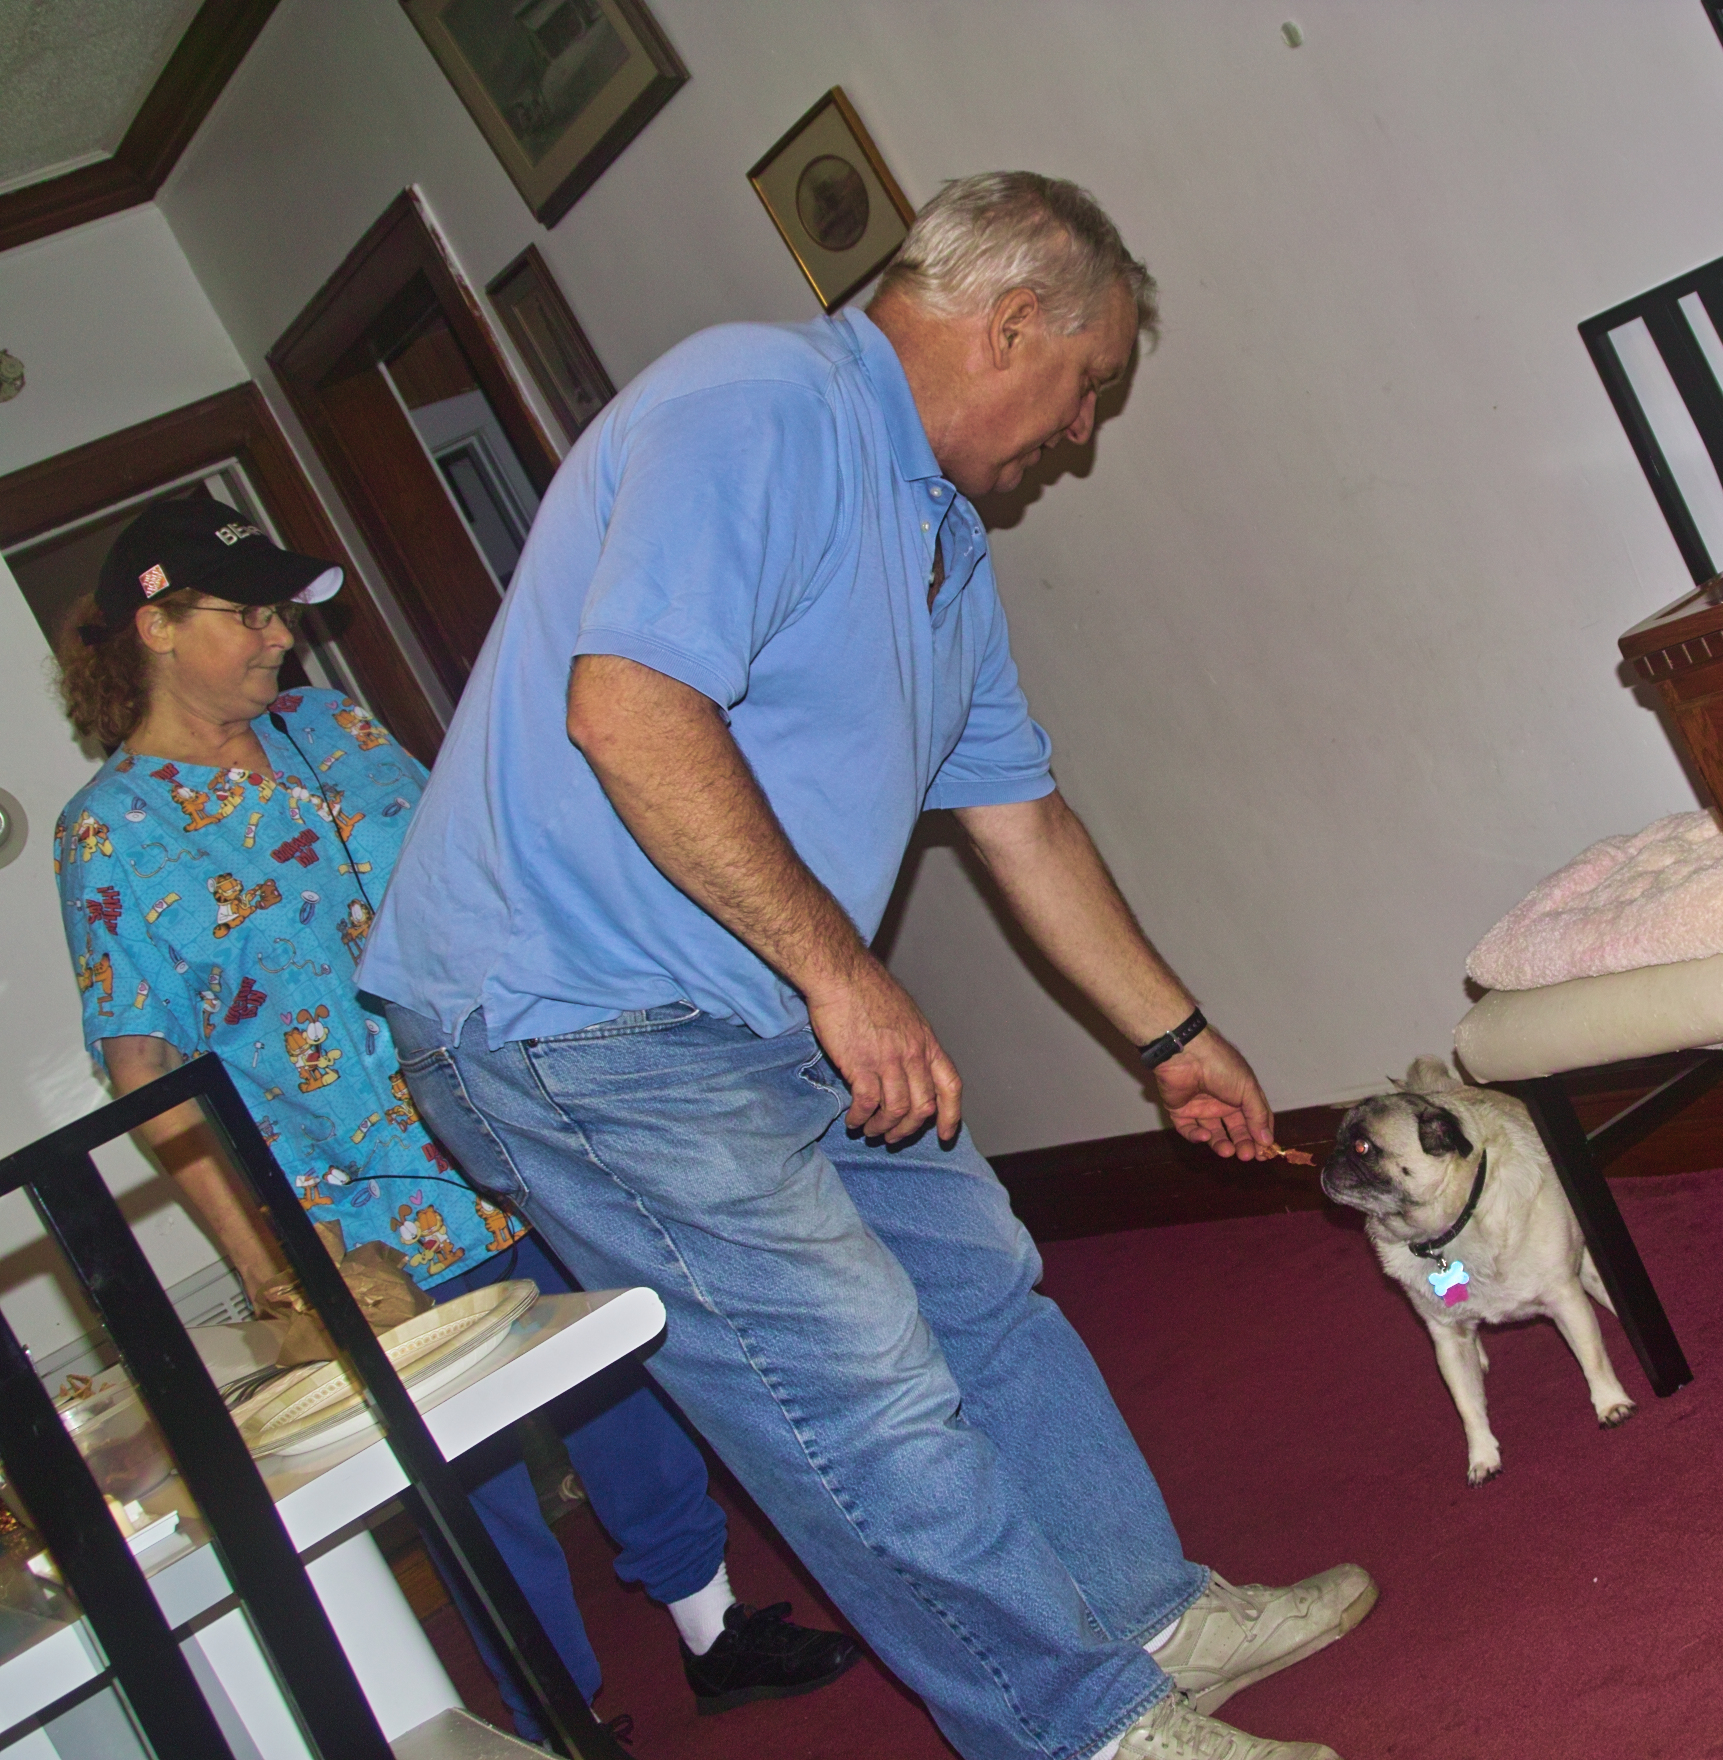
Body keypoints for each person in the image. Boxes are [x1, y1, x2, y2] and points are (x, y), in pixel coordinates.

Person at [359, 172, 1373, 1760]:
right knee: (855, 1374)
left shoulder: (941, 536)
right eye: (1088, 383)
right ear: (1011, 322)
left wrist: (1176, 1036)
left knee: (978, 1281)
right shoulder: (759, 404)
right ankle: (1084, 1732)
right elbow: (629, 713)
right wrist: (845, 975)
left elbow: (1021, 820)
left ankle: (1144, 1616)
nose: (1083, 431)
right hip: (576, 1017)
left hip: (753, 995)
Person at [46, 494, 860, 1742]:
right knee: (472, 1476)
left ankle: (714, 1626)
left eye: (281, 613)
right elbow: (147, 1080)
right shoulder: (111, 832)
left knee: (618, 1372)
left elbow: (479, 874)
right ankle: (560, 1715)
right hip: (358, 1209)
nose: (281, 638)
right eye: (249, 615)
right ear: (156, 625)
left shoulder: (334, 726)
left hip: (516, 1116)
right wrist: (272, 1271)